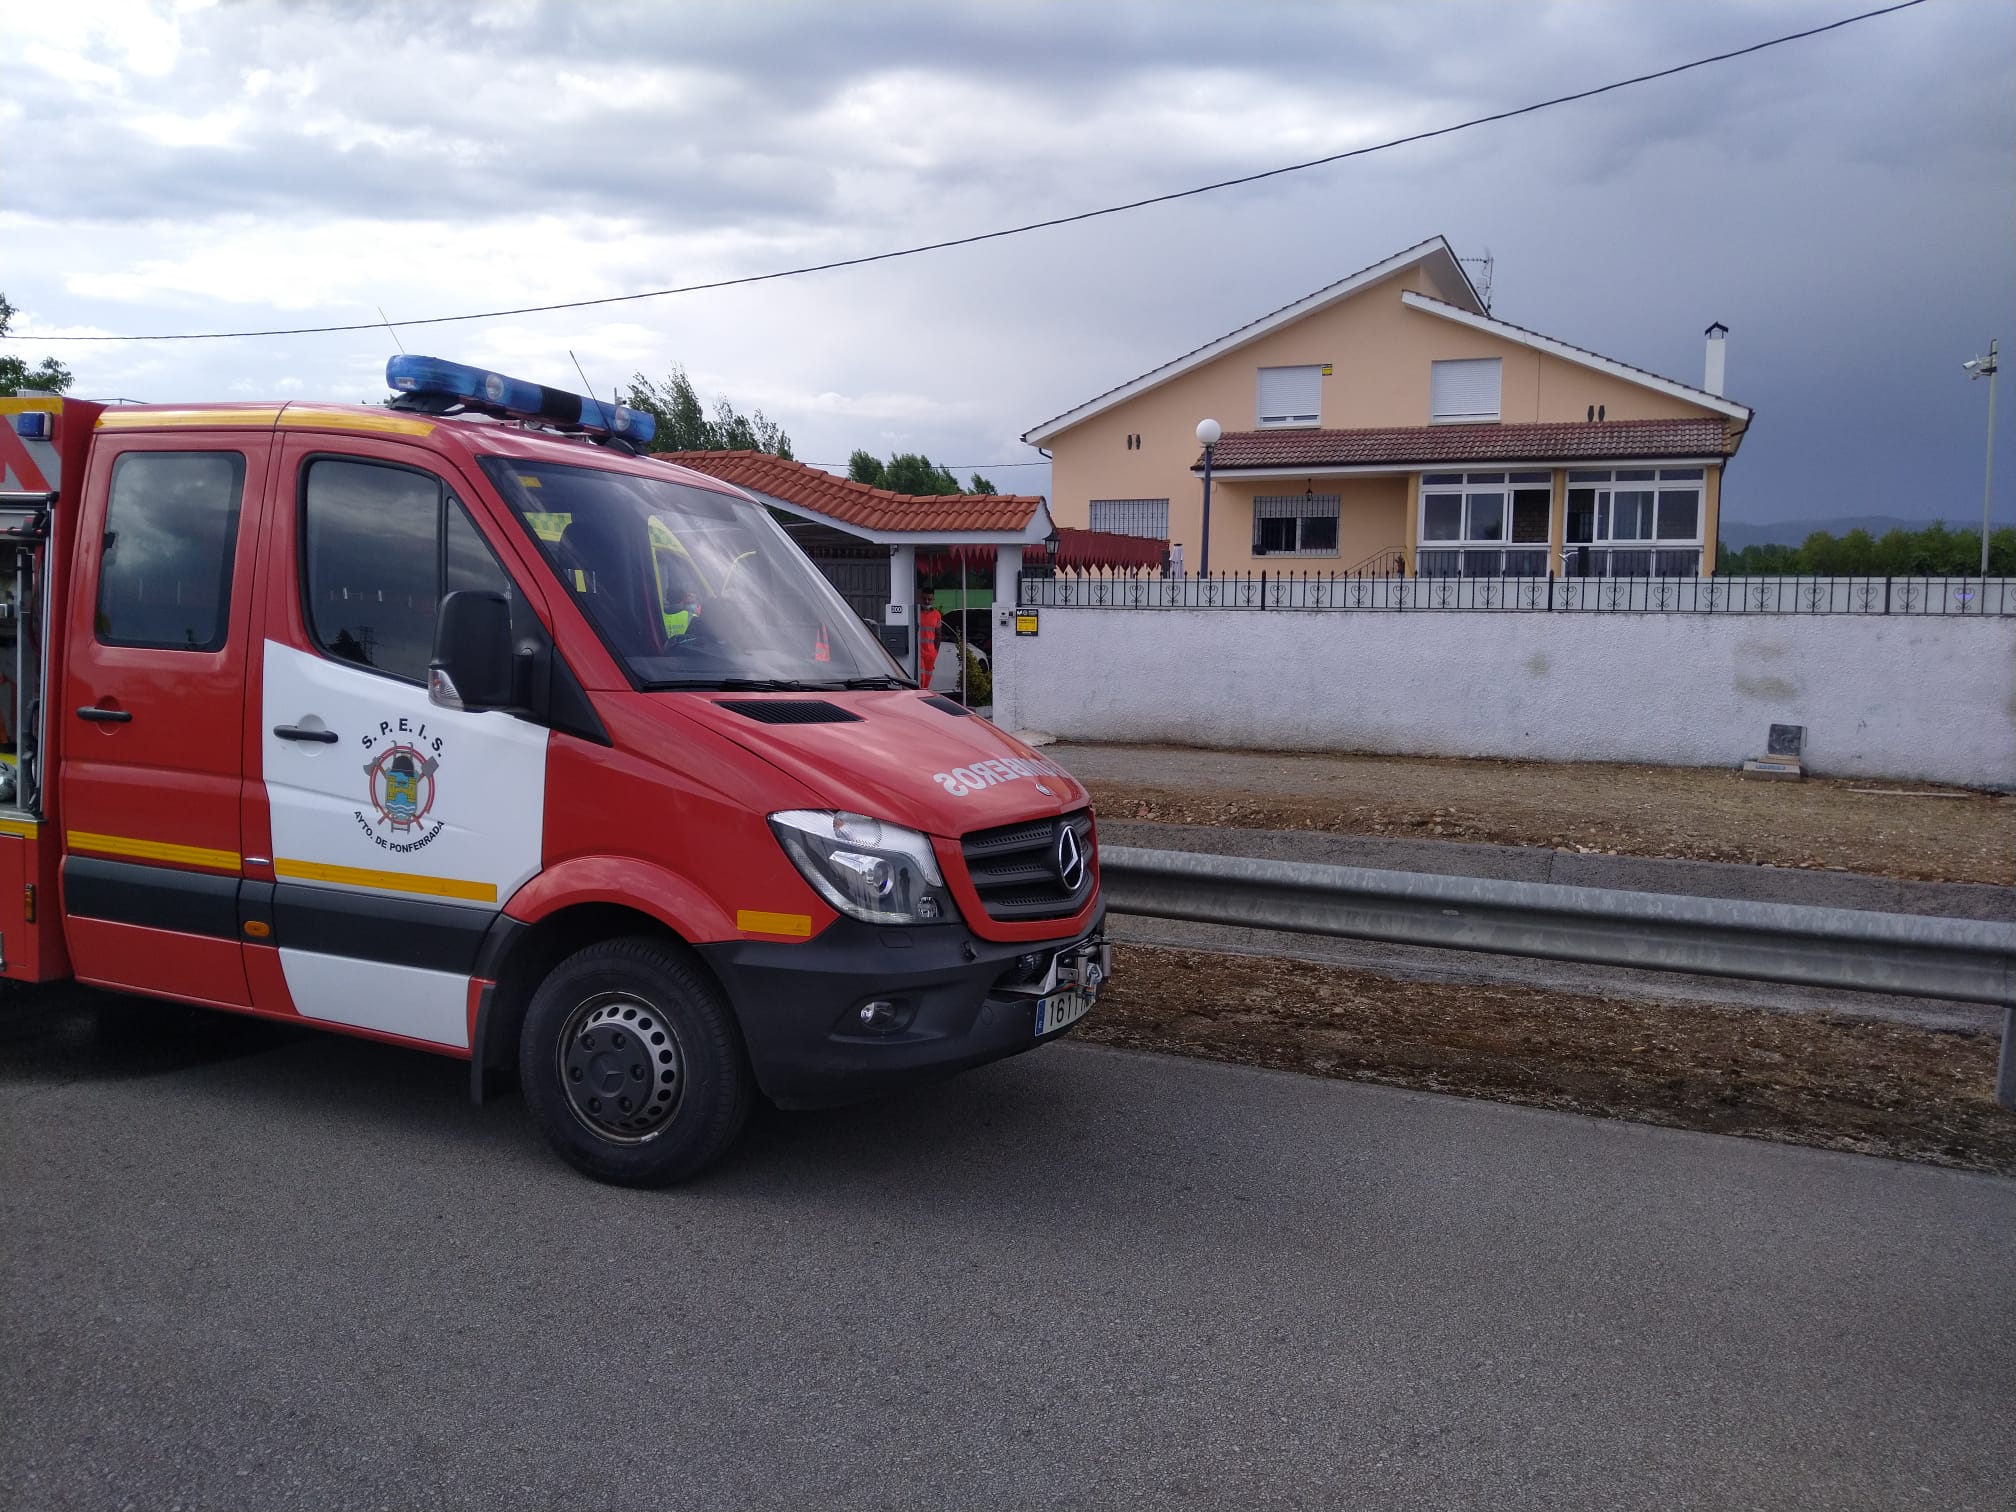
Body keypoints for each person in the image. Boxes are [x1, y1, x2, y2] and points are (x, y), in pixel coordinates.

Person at [917, 601, 943, 687]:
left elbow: (938, 635)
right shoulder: (916, 613)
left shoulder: (936, 614)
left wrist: (935, 652)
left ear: (933, 600)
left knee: (927, 681)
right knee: (921, 679)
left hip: (930, 654)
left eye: (929, 599)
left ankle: (923, 693)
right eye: (925, 599)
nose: (927, 601)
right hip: (919, 652)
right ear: (921, 598)